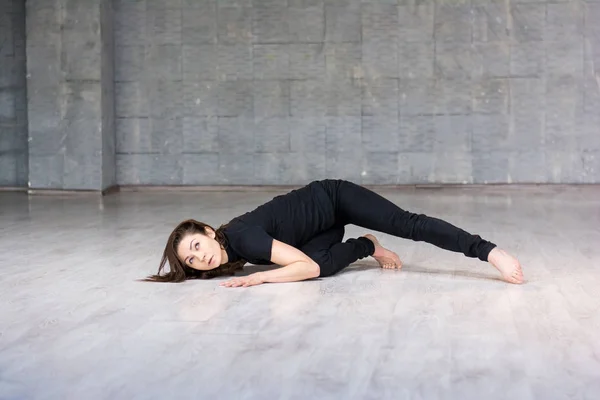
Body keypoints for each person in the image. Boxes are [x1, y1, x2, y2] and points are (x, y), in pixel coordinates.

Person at [145, 179, 524, 287]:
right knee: (321, 266)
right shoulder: (235, 249)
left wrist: (260, 278)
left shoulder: (242, 238)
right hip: (319, 230)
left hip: (334, 199)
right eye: (192, 261)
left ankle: (488, 251)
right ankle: (366, 245)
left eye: (196, 245)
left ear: (209, 232)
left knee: (407, 224)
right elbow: (309, 264)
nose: (200, 258)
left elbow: (301, 267)